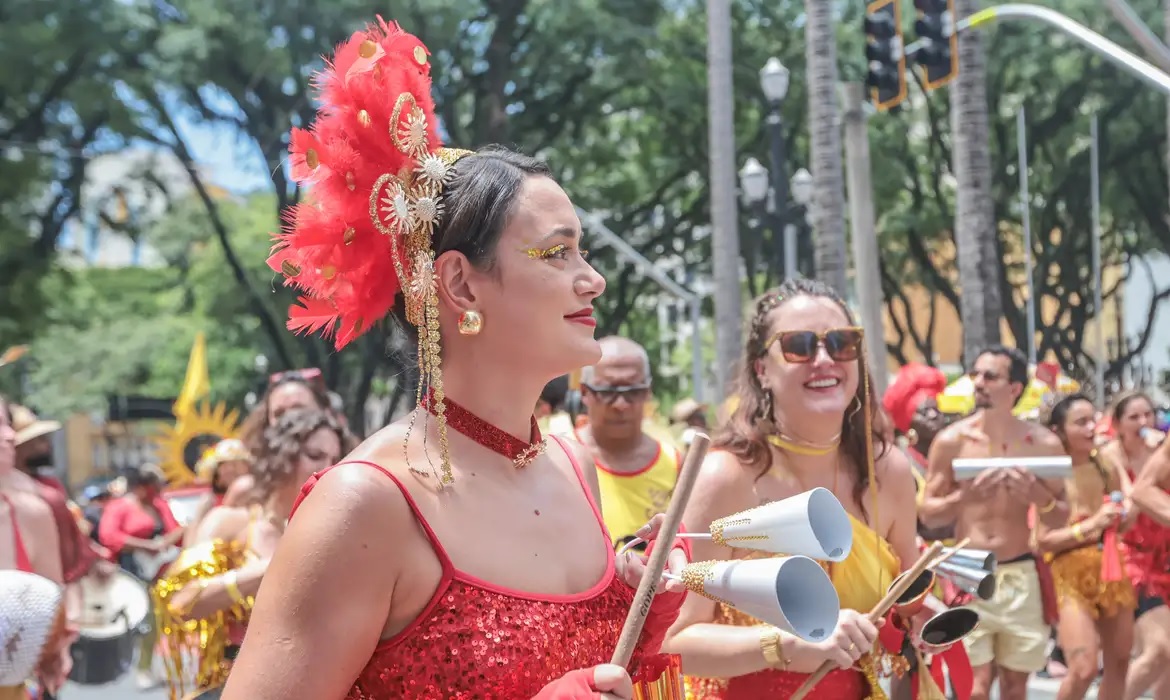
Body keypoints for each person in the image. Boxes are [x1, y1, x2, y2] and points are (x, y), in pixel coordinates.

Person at [219, 18, 686, 700]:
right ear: (462, 283)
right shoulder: (366, 506)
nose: (593, 278)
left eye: (582, 250)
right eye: (557, 253)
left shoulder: (572, 462)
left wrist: (635, 628)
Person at [662, 279, 924, 699]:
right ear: (761, 369)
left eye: (841, 343)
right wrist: (784, 643)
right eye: (799, 345)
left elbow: (908, 602)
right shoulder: (724, 477)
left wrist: (929, 614)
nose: (824, 359)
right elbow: (674, 641)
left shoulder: (886, 471)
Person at [154, 408, 346, 697]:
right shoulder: (231, 522)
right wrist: (272, 568)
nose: (328, 468)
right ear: (283, 458)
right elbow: (180, 603)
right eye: (316, 456)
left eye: (336, 460)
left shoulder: (336, 533)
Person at [921, 345, 1068, 700]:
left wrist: (1038, 496)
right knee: (973, 688)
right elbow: (927, 513)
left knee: (1017, 687)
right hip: (968, 569)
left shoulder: (1043, 443)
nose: (978, 382)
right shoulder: (952, 441)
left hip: (1020, 571)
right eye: (976, 374)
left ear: (1015, 388)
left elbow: (1061, 513)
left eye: (990, 376)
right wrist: (964, 499)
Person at [1036, 393, 1134, 700]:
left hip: (1111, 567)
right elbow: (1041, 541)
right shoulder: (1050, 474)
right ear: (1059, 431)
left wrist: (1125, 513)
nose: (1092, 427)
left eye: (1093, 419)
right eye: (1081, 422)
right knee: (1083, 667)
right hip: (1069, 575)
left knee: (1119, 662)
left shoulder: (1106, 464)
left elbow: (1125, 517)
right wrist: (1091, 526)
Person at [577, 337, 681, 550]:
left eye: (633, 391)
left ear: (648, 391)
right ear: (584, 392)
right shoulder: (557, 457)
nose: (621, 405)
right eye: (608, 392)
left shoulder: (675, 464)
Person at [0, 396, 73, 698]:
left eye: (6, 423)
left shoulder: (34, 512)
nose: (9, 435)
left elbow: (53, 618)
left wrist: (56, 650)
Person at [98, 463, 184, 689]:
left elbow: (174, 530)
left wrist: (168, 540)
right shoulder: (120, 507)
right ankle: (138, 668)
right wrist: (144, 545)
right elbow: (109, 536)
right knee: (143, 621)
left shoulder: (159, 505)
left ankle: (148, 666)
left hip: (160, 572)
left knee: (156, 622)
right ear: (142, 487)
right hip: (131, 572)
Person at [1115, 391, 1170, 700]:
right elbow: (1135, 497)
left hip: (1165, 559)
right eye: (1134, 417)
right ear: (1118, 424)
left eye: (1148, 415)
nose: (1143, 422)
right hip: (1133, 560)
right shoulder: (1111, 455)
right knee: (1160, 650)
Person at [183, 439, 254, 546]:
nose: (230, 469)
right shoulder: (208, 502)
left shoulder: (258, 498)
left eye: (236, 464)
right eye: (224, 465)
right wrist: (199, 515)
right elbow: (191, 549)